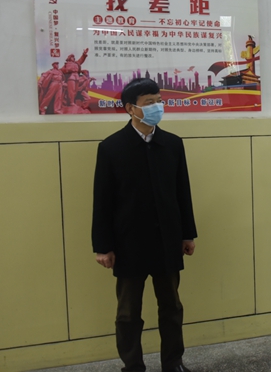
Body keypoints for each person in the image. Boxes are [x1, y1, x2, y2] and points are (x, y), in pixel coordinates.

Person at [92, 78, 197, 372]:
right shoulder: (112, 147)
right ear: (131, 108)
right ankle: (133, 366)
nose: (157, 107)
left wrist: (187, 234)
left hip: (167, 240)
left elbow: (182, 192)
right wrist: (103, 246)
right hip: (128, 244)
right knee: (128, 313)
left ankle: (173, 363)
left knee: (172, 307)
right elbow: (102, 201)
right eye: (149, 103)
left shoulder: (172, 144)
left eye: (159, 101)